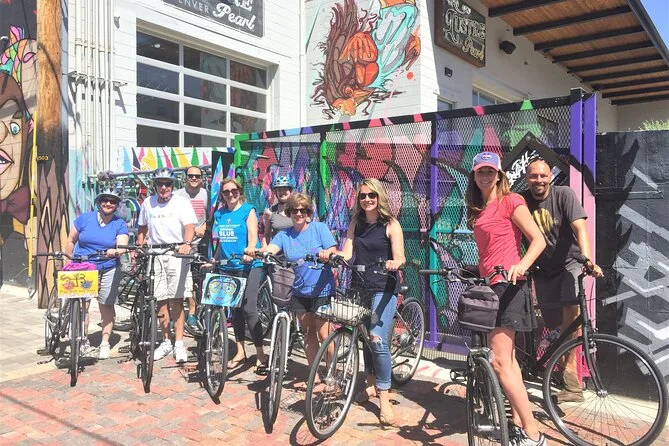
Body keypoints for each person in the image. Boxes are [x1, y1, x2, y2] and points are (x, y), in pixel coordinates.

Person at [465, 152, 547, 446]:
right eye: (480, 172)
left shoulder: (512, 201)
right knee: (508, 363)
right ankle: (520, 425)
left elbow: (538, 239)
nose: (485, 177)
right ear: (474, 176)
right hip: (490, 286)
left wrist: (521, 265)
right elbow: (490, 251)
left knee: (500, 363)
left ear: (499, 175)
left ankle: (533, 434)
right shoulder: (478, 210)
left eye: (490, 172)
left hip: (508, 287)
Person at [522, 157, 603, 403]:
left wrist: (587, 260)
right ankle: (558, 369)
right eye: (533, 176)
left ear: (550, 177)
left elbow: (580, 228)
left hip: (570, 263)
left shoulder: (563, 194)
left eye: (543, 175)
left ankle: (572, 383)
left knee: (571, 313)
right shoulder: (521, 200)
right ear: (527, 178)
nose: (538, 180)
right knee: (556, 325)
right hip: (542, 270)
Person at [331, 178, 405, 426]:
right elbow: (347, 253)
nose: (367, 200)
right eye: (362, 196)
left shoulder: (391, 224)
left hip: (384, 287)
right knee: (363, 337)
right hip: (359, 286)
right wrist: (332, 255)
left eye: (371, 195)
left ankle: (384, 397)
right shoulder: (356, 223)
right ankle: (370, 383)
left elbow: (400, 256)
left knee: (377, 339)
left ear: (379, 196)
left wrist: (395, 262)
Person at [252, 192, 337, 370]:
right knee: (309, 332)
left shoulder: (319, 228)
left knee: (324, 334)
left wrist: (327, 253)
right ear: (289, 213)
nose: (299, 214)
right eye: (294, 211)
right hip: (299, 290)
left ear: (308, 212)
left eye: (303, 210)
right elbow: (271, 248)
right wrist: (258, 251)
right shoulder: (285, 235)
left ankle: (331, 373)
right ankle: (314, 375)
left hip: (321, 288)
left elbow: (332, 250)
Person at [137, 168, 197, 363]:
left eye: (167, 184)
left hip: (176, 252)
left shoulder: (181, 202)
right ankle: (165, 341)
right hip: (155, 253)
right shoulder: (148, 202)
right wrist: (139, 245)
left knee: (176, 299)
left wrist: (186, 244)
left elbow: (190, 226)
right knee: (160, 300)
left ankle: (179, 343)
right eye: (160, 184)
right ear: (155, 185)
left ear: (173, 185)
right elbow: (142, 227)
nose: (164, 187)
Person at [64, 187, 129, 359]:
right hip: (83, 266)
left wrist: (116, 251)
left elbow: (122, 245)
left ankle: (105, 343)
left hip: (108, 267)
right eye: (105, 200)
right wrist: (68, 261)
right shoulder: (85, 219)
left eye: (112, 201)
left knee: (106, 304)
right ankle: (82, 339)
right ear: (99, 202)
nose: (108, 203)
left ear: (116, 205)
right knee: (82, 305)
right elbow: (71, 240)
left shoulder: (119, 224)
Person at [212, 178, 268, 373]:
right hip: (228, 266)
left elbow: (253, 234)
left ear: (240, 191)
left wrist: (251, 249)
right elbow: (221, 240)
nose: (230, 194)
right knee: (234, 309)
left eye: (234, 190)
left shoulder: (248, 210)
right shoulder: (220, 213)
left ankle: (260, 353)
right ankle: (240, 351)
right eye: (226, 192)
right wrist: (214, 259)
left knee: (249, 308)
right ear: (222, 194)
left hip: (250, 265)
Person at [174, 165, 208, 330]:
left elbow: (213, 216)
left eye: (197, 176)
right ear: (185, 177)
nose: (194, 178)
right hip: (182, 243)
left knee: (196, 280)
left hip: (201, 243)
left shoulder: (207, 195)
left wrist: (204, 227)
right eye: (191, 175)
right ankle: (181, 314)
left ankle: (194, 313)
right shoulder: (177, 195)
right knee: (181, 279)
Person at [260, 175, 293, 247]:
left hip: (297, 250)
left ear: (290, 191)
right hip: (277, 252)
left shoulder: (298, 210)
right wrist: (264, 249)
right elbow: (267, 234)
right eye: (279, 190)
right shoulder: (269, 212)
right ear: (276, 192)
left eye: (285, 189)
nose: (282, 192)